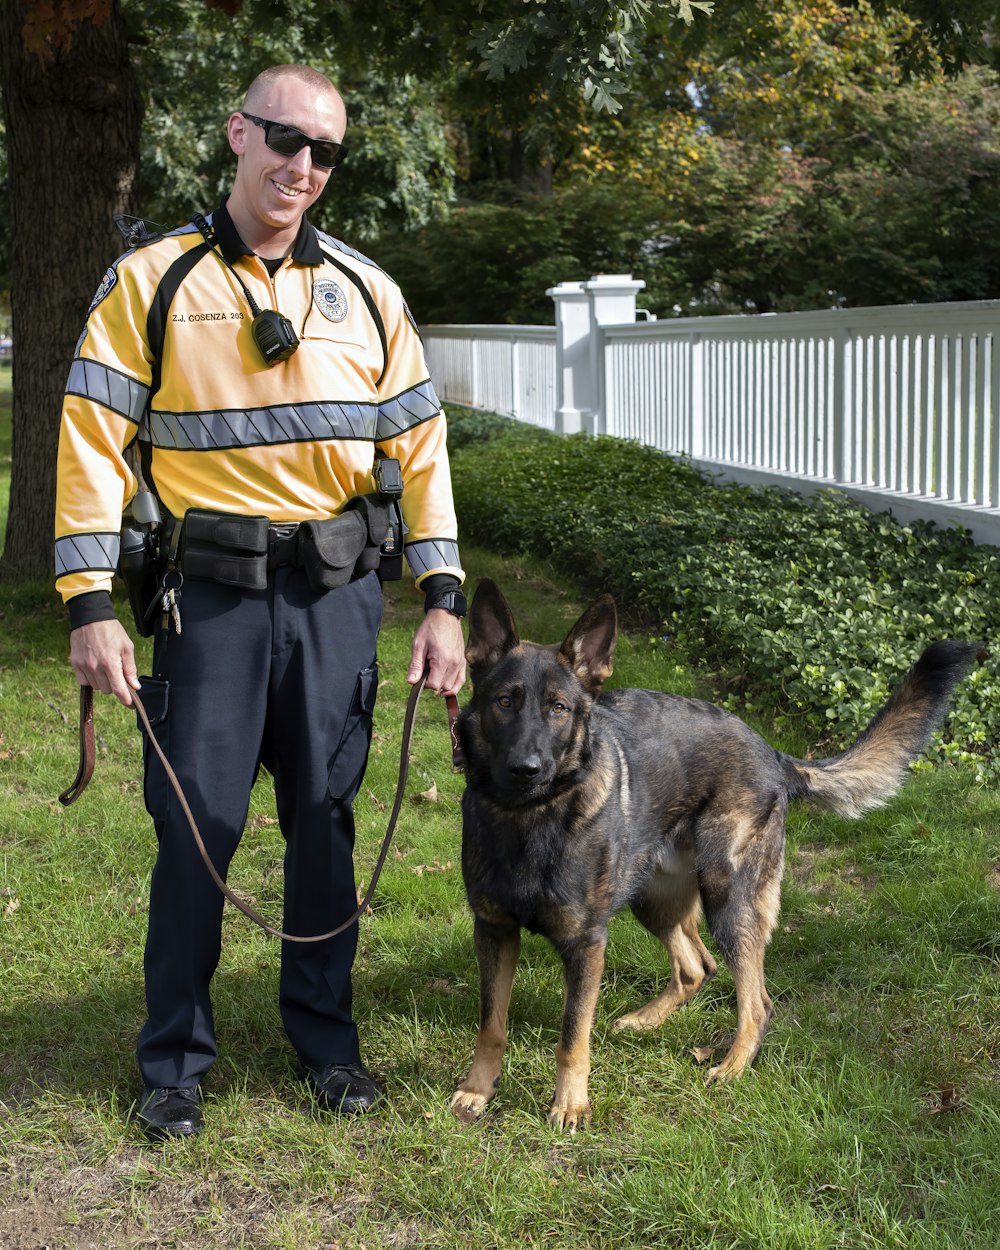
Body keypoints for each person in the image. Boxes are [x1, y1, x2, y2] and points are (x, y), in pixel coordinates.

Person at [54, 64, 467, 1141]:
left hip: (336, 598)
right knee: (201, 828)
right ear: (237, 133)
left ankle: (327, 1044)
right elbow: (94, 442)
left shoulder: (372, 296)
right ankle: (175, 1063)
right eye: (285, 138)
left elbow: (419, 451)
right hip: (214, 599)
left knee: (324, 825)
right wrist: (89, 603)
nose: (303, 166)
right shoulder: (152, 280)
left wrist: (442, 596)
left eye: (325, 151)